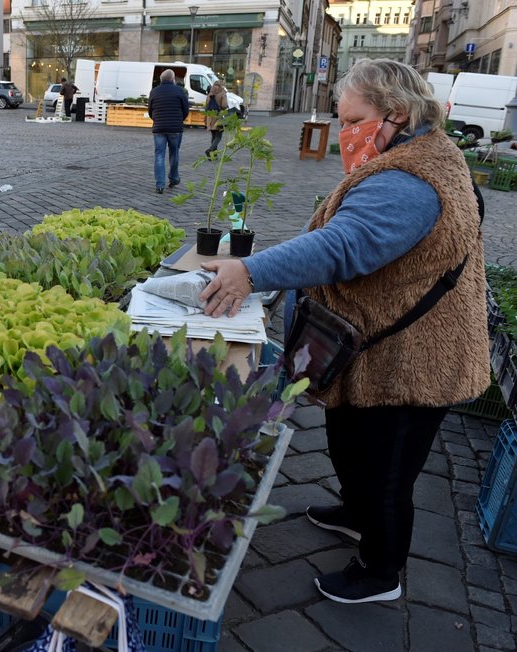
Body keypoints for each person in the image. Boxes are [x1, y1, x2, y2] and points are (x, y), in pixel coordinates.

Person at [197, 59, 489, 604]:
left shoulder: (409, 181)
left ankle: (381, 572)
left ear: (397, 115)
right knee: (351, 443)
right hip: (378, 348)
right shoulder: (414, 155)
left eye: (353, 118)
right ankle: (357, 514)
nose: (343, 132)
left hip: (412, 362)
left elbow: (342, 247)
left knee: (386, 472)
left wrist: (252, 270)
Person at [147, 69, 189, 194]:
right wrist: (179, 120)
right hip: (175, 128)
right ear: (173, 79)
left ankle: (160, 185)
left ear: (161, 79)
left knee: (159, 156)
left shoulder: (154, 92)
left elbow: (150, 110)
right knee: (174, 153)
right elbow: (185, 110)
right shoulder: (180, 91)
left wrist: (157, 120)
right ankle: (174, 178)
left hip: (159, 127)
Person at [203, 79, 228, 157]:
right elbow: (224, 105)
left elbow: (206, 104)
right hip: (218, 116)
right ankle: (210, 150)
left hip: (210, 116)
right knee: (218, 136)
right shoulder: (223, 93)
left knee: (213, 136)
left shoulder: (210, 93)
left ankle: (213, 156)